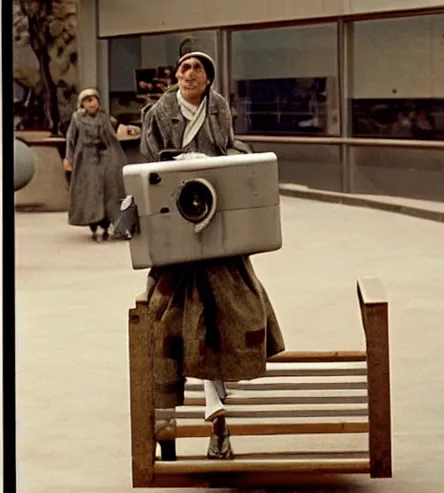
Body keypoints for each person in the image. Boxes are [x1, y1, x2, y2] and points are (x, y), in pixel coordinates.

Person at [140, 48, 285, 460]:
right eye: (184, 67)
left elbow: (234, 155)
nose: (190, 73)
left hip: (216, 228)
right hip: (175, 232)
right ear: (176, 76)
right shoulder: (158, 113)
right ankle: (165, 428)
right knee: (162, 326)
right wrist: (178, 165)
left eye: (198, 68)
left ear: (208, 78)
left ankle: (216, 418)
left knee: (233, 313)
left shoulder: (218, 109)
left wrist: (219, 162)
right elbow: (147, 166)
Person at [64, 88, 127, 242]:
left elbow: (112, 134)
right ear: (82, 104)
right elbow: (71, 138)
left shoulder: (104, 118)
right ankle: (93, 224)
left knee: (108, 192)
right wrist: (69, 157)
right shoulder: (77, 118)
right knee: (90, 193)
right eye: (88, 101)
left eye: (94, 100)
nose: (92, 104)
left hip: (104, 157)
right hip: (86, 159)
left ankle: (109, 225)